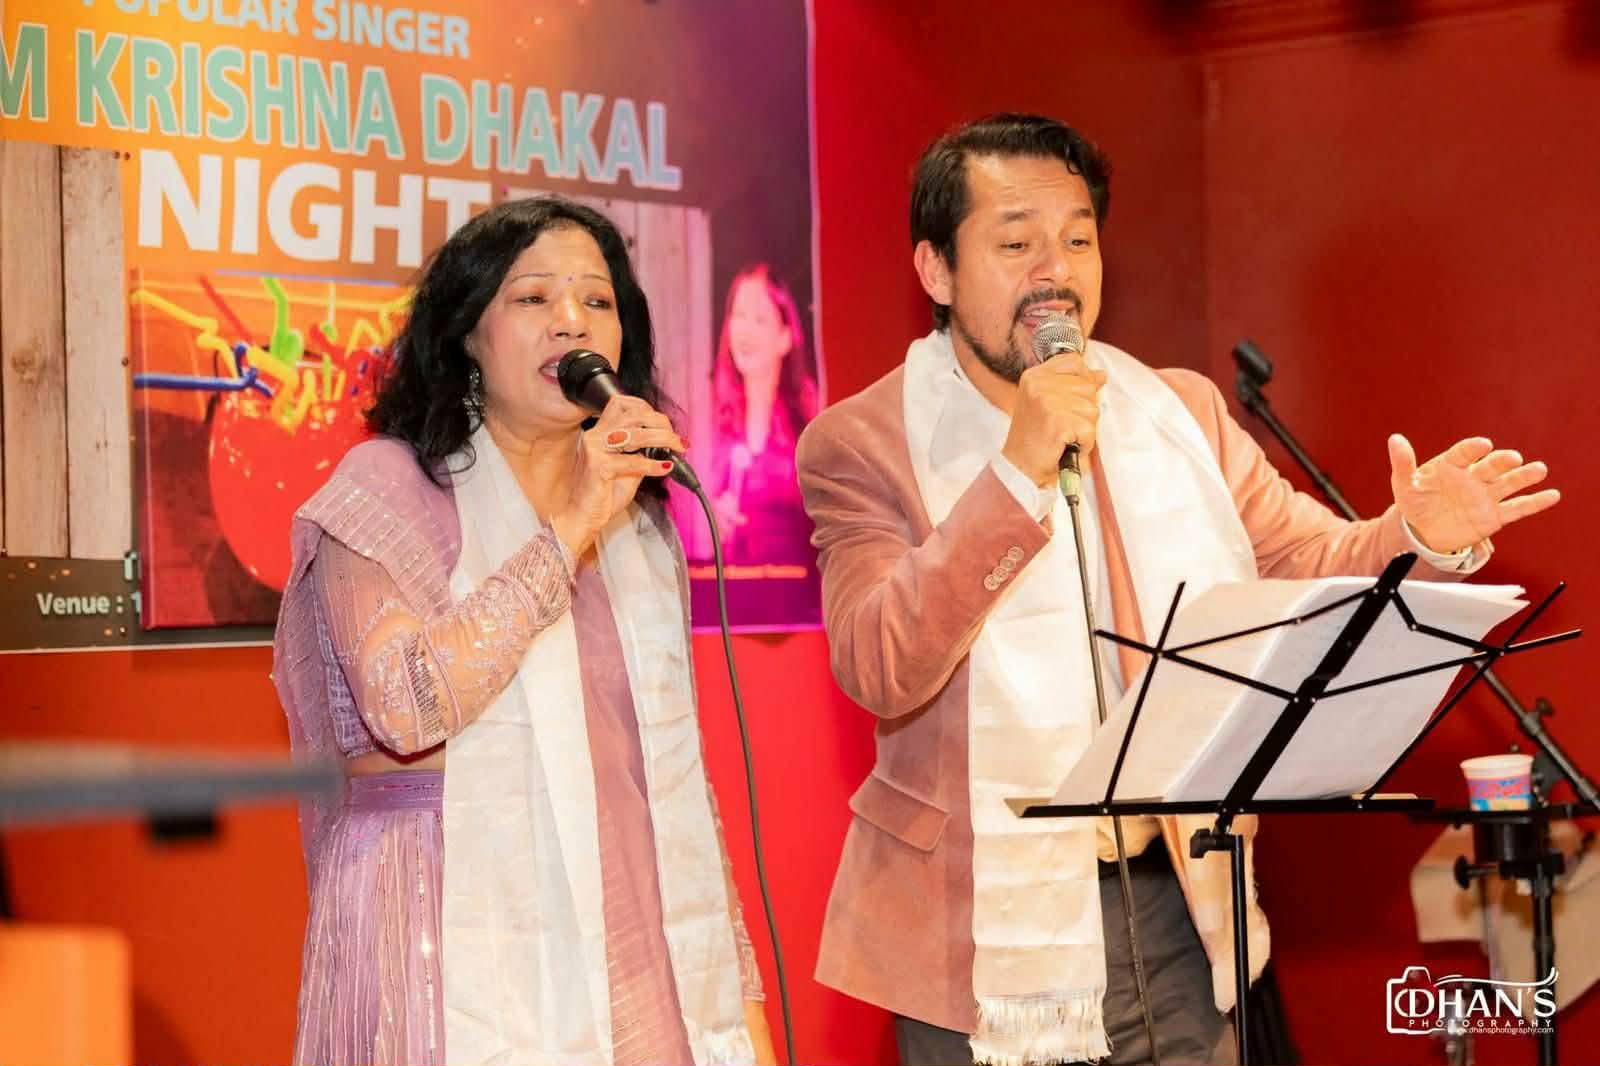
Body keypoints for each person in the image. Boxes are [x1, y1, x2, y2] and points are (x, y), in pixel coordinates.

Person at [795, 113, 1560, 1066]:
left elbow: (1306, 561)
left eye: (1078, 239)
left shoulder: (1176, 411)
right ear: (936, 271)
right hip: (978, 933)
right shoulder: (862, 443)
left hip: (1181, 901)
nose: (1055, 270)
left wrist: (1414, 536)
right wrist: (1017, 472)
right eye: (1016, 243)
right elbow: (881, 664)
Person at [272, 195, 775, 1066]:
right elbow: (406, 709)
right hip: (437, 930)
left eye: (597, 300)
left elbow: (673, 784)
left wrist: (743, 1004)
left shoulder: (639, 525)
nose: (572, 319)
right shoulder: (386, 487)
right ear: (468, 332)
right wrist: (569, 526)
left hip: (626, 928)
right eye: (533, 297)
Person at [709, 264, 820, 566]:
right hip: (736, 584)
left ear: (785, 337)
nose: (744, 330)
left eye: (759, 319)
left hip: (799, 586)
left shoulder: (811, 422)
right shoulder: (715, 420)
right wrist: (715, 520)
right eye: (739, 315)